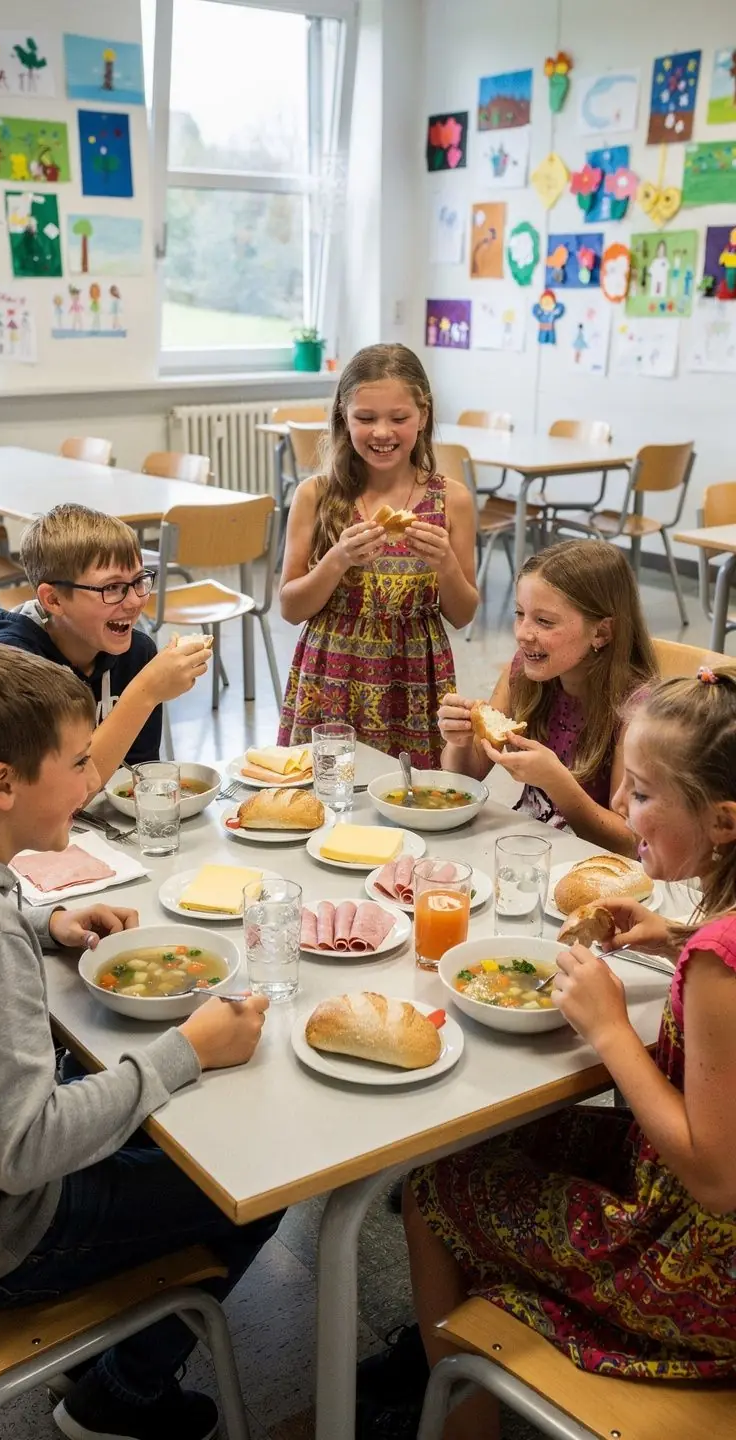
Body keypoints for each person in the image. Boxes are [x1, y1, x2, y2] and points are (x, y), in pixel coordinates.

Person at [361, 664, 736, 1439]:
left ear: (724, 821)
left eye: (639, 794)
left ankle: (464, 1418)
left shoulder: (720, 966)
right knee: (505, 1140)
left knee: (436, 1187)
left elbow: (714, 1176)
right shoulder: (708, 944)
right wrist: (671, 938)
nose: (623, 814)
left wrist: (606, 1029)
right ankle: (463, 1336)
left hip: (704, 1271)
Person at [0, 645, 276, 1440]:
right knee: (251, 1183)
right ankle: (120, 1397)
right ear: (3, 785)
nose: (94, 781)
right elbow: (25, 1148)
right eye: (79, 762)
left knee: (170, 1149)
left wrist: (44, 922)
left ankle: (108, 1345)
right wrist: (189, 1049)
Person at [277, 343, 478, 767]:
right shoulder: (315, 496)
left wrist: (445, 566)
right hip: (332, 672)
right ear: (343, 418)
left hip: (415, 676)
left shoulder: (452, 500)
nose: (381, 432)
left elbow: (462, 614)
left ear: (422, 416)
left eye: (399, 418)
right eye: (365, 418)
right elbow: (291, 607)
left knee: (412, 801)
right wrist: (337, 560)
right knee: (328, 793)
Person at [439, 540, 656, 853]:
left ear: (602, 633)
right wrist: (459, 742)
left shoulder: (637, 710)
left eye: (544, 621)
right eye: (519, 614)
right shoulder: (523, 673)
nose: (522, 633)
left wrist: (557, 783)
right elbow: (465, 776)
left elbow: (630, 844)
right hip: (527, 850)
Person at [0, 504, 211, 787]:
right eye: (111, 588)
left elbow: (135, 780)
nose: (135, 602)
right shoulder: (12, 668)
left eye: (139, 580)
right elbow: (56, 798)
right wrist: (146, 692)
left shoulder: (137, 653)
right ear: (54, 600)